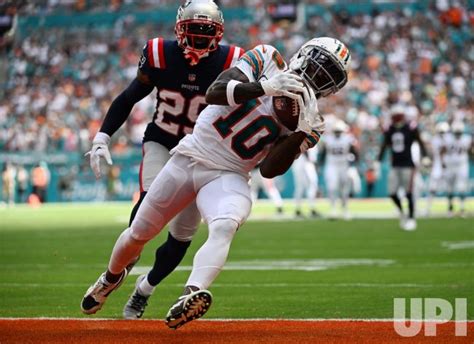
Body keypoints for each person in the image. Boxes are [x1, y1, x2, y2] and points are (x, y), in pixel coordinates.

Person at [81, 36, 351, 329]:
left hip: (229, 174)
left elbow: (271, 169)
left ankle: (192, 293)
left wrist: (301, 131)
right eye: (319, 64)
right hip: (191, 156)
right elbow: (215, 92)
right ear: (303, 54)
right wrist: (265, 87)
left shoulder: (313, 122)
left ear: (333, 87)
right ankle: (110, 278)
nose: (318, 75)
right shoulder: (267, 59)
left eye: (329, 75)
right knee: (139, 233)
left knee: (225, 224)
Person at [84, 0, 244, 319]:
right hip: (163, 139)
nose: (199, 39)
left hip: (203, 152)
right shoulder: (159, 54)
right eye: (193, 30)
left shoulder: (233, 61)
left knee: (181, 236)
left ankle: (145, 287)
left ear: (219, 33)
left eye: (206, 32)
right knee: (147, 210)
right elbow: (130, 96)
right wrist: (103, 135)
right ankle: (114, 274)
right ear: (179, 29)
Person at [377, 105, 429, 230]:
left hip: (408, 165)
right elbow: (385, 144)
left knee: (408, 193)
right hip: (395, 164)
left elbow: (420, 141)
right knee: (392, 193)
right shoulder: (390, 129)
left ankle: (411, 218)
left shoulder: (410, 128)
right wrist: (378, 160)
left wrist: (425, 156)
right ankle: (402, 212)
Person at [320, 120, 358, 220]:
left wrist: (354, 164)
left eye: (339, 131)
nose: (338, 133)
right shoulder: (328, 139)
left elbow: (354, 152)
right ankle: (333, 208)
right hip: (331, 165)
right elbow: (323, 153)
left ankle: (345, 208)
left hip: (343, 165)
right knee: (332, 188)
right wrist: (320, 165)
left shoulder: (348, 139)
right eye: (336, 131)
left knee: (344, 189)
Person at [443, 121, 472, 217]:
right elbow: (443, 150)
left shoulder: (467, 138)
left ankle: (462, 208)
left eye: (459, 132)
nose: (458, 135)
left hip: (462, 165)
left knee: (462, 187)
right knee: (449, 187)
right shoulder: (447, 138)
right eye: (456, 132)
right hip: (451, 165)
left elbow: (470, 150)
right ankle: (450, 208)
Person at [425, 122, 449, 216]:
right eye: (441, 132)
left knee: (449, 189)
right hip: (438, 166)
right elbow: (435, 153)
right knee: (432, 188)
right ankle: (428, 208)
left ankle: (449, 208)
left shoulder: (449, 139)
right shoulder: (435, 140)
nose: (442, 134)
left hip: (448, 166)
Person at [292, 147, 320, 218]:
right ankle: (301, 209)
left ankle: (307, 208)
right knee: (303, 186)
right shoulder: (308, 136)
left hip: (305, 162)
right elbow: (304, 147)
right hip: (303, 162)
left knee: (309, 185)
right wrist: (309, 159)